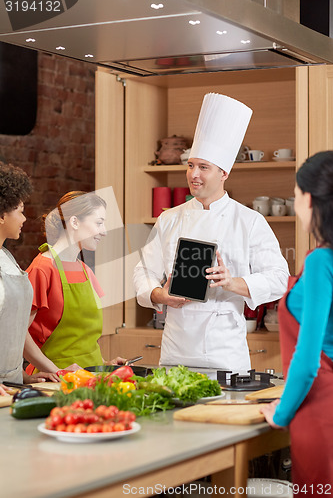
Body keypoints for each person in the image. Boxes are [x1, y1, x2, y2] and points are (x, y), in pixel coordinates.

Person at [134, 93, 289, 372]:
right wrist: (159, 294)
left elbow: (279, 279)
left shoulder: (249, 221)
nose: (194, 174)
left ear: (224, 173)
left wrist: (231, 282)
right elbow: (142, 271)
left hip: (226, 354)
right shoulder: (169, 219)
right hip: (176, 352)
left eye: (204, 167)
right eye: (191, 165)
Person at [261, 151, 333, 489]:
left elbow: (307, 361)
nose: (294, 200)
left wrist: (281, 412)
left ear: (310, 198)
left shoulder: (322, 261)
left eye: (295, 194)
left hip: (320, 412)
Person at [25, 191, 125, 372]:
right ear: (74, 222)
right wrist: (57, 372)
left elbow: (82, 338)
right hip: (55, 382)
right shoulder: (42, 269)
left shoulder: (85, 270)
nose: (104, 231)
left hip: (91, 377)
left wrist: (104, 363)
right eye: (99, 223)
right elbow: (19, 335)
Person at [0, 162, 58, 396]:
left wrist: (24, 376)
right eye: (20, 210)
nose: (24, 219)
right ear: (2, 214)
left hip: (12, 387)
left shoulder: (7, 258)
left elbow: (12, 328)